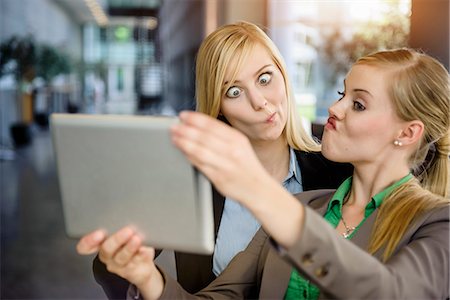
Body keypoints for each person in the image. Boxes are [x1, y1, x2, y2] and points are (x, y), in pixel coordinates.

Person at [78, 47, 449, 299]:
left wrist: (258, 189)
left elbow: (385, 292)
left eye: (358, 103)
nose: (335, 109)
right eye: (341, 93)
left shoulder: (437, 223)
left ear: (407, 133)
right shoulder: (304, 206)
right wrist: (148, 278)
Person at [90, 21, 352, 298]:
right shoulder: (192, 182)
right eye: (234, 92)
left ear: (284, 75)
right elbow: (109, 268)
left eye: (264, 78)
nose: (259, 102)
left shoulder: (336, 172)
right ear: (219, 108)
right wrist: (142, 277)